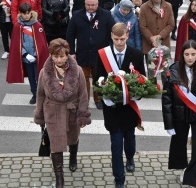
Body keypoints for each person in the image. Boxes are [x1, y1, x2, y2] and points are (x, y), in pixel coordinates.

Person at [34, 38, 91, 188]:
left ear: (67, 55)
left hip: (71, 110)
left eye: (62, 56)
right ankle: (59, 177)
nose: (59, 60)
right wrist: (39, 115)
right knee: (56, 144)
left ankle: (73, 157)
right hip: (52, 112)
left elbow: (83, 94)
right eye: (55, 56)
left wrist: (83, 114)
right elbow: (40, 94)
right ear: (51, 56)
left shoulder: (77, 71)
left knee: (73, 138)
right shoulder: (44, 72)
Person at [94, 23, 145, 188]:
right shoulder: (103, 54)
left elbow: (142, 79)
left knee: (129, 140)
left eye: (122, 39)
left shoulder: (136, 55)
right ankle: (119, 180)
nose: (119, 42)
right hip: (112, 109)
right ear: (111, 36)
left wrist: (137, 92)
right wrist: (104, 94)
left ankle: (130, 156)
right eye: (116, 39)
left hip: (129, 108)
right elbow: (97, 79)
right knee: (116, 145)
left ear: (127, 36)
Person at [162, 39, 196, 188]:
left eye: (193, 54)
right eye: (187, 54)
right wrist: (168, 124)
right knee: (179, 145)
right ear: (182, 55)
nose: (190, 57)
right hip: (180, 115)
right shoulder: (173, 71)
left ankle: (193, 178)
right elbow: (166, 99)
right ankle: (183, 167)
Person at [66, 0, 115, 110]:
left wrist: (111, 49)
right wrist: (72, 52)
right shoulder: (76, 15)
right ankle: (84, 100)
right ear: (85, 4)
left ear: (97, 4)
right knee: (83, 78)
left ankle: (98, 99)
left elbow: (113, 32)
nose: (90, 7)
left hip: (100, 54)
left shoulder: (106, 15)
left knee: (99, 78)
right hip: (83, 53)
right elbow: (70, 34)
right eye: (88, 5)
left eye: (93, 5)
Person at [6, 3, 48, 104]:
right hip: (26, 57)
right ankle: (34, 94)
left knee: (40, 76)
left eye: (28, 13)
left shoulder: (37, 25)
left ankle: (41, 94)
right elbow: (16, 44)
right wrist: (25, 54)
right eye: (24, 14)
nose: (26, 15)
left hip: (36, 56)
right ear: (20, 13)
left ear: (31, 13)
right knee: (31, 77)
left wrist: (34, 54)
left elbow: (41, 43)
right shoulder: (17, 26)